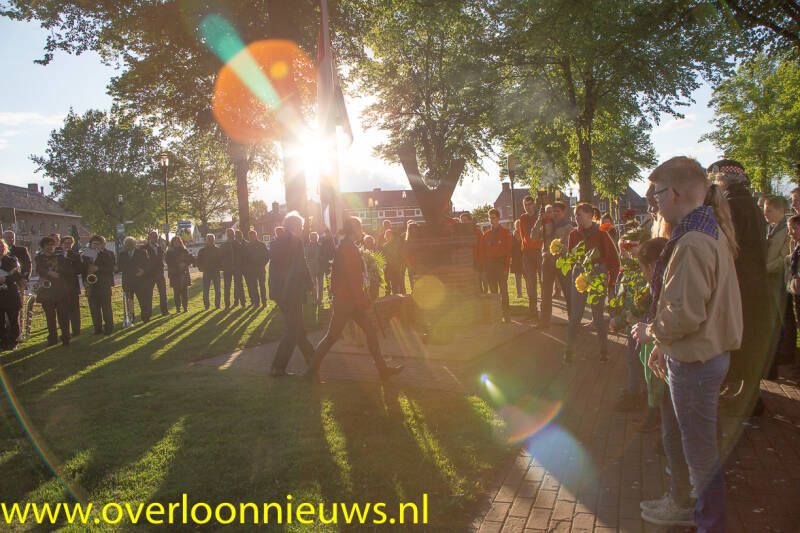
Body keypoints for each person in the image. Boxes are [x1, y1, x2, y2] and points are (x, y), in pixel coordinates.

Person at [632, 156, 742, 532]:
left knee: (701, 458)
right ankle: (694, 513)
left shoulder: (692, 241)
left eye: (656, 194)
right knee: (695, 449)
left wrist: (651, 333)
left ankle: (710, 524)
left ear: (673, 193)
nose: (654, 203)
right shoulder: (705, 230)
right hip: (700, 356)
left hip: (696, 364)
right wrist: (666, 345)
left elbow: (683, 315)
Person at [305, 216, 404, 383]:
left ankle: (383, 370)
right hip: (348, 302)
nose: (361, 231)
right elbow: (353, 279)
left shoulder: (346, 246)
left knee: (369, 331)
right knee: (332, 336)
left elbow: (344, 277)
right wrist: (363, 300)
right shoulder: (348, 248)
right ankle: (310, 372)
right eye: (359, 228)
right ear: (354, 229)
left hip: (348, 301)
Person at [708, 159, 770, 414]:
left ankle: (745, 398)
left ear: (722, 180)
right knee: (752, 339)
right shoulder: (754, 206)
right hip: (757, 283)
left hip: (739, 283)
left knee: (737, 338)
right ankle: (753, 395)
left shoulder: (730, 206)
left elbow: (726, 247)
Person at [563, 203, 620, 363]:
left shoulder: (601, 233)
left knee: (598, 315)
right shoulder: (574, 235)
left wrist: (611, 279)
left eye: (579, 215)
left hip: (597, 274)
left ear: (589, 215)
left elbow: (612, 258)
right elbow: (571, 256)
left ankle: (603, 350)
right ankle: (569, 349)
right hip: (580, 274)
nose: (577, 219)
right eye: (575, 216)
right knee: (575, 316)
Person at [269, 212, 315, 376]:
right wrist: (310, 284)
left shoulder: (275, 242)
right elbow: (301, 265)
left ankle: (313, 360)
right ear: (296, 226)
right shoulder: (295, 241)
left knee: (298, 329)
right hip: (291, 291)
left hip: (279, 291)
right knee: (293, 331)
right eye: (301, 227)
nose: (302, 230)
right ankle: (278, 367)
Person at [764, 196, 792, 377]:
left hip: (779, 281)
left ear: (780, 211)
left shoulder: (785, 229)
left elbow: (784, 258)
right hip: (770, 280)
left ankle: (786, 355)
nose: (765, 213)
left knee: (784, 318)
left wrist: (765, 268)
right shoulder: (771, 228)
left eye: (769, 210)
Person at [537, 202, 574, 327]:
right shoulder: (547, 226)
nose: (556, 214)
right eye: (554, 211)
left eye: (558, 211)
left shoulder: (569, 228)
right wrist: (539, 220)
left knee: (568, 292)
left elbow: (568, 247)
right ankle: (544, 320)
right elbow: (534, 235)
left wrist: (551, 253)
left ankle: (572, 320)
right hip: (547, 263)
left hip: (562, 263)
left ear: (564, 213)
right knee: (546, 292)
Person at [35, 236, 72, 346]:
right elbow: (39, 270)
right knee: (50, 317)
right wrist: (49, 273)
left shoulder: (60, 256)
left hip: (60, 289)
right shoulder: (39, 258)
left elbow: (67, 269)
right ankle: (53, 338)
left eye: (52, 244)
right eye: (48, 245)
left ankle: (66, 337)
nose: (51, 247)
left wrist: (59, 270)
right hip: (47, 291)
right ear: (43, 246)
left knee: (63, 315)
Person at [481, 208, 512, 323]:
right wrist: (484, 269)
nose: (491, 220)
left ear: (498, 218)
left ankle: (507, 315)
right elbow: (484, 253)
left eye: (494, 218)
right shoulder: (487, 234)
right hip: (490, 265)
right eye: (490, 218)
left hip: (500, 263)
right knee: (494, 292)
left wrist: (506, 268)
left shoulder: (505, 233)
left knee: (504, 291)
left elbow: (508, 252)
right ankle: (496, 315)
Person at [82, 235, 115, 334]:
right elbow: (83, 269)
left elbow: (112, 268)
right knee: (94, 309)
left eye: (97, 244)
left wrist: (98, 268)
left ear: (102, 245)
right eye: (93, 244)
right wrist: (85, 280)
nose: (95, 246)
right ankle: (97, 329)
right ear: (91, 245)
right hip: (92, 286)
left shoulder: (108, 254)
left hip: (104, 284)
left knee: (106, 308)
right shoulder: (87, 254)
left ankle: (109, 328)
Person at [518, 196, 544, 321]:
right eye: (525, 205)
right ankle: (532, 311)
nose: (527, 207)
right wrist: (529, 243)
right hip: (527, 252)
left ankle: (544, 310)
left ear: (534, 204)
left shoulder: (541, 216)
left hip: (539, 251)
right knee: (530, 282)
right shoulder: (522, 218)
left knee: (543, 281)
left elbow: (543, 234)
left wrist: (536, 243)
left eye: (529, 204)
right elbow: (523, 234)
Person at [117, 236, 151, 323]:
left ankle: (145, 317)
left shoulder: (142, 252)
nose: (129, 246)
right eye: (127, 244)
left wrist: (143, 271)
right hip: (128, 281)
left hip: (140, 281)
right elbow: (120, 267)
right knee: (129, 301)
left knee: (143, 300)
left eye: (131, 244)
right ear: (125, 245)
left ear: (134, 244)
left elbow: (148, 265)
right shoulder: (122, 254)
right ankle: (131, 319)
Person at [0, 239, 22, 350]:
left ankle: (13, 342)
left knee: (13, 320)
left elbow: (17, 275)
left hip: (11, 296)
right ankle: (3, 343)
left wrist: (5, 279)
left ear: (5, 248)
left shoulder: (12, 260)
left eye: (1, 247)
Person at [60, 235, 82, 336]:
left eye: (69, 243)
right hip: (61, 287)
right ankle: (65, 332)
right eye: (65, 243)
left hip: (73, 286)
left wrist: (69, 266)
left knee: (75, 310)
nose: (67, 245)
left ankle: (76, 331)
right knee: (63, 311)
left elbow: (79, 270)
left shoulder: (76, 255)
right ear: (62, 244)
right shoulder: (57, 256)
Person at [165, 236, 194, 313]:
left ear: (180, 242)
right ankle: (178, 308)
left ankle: (185, 307)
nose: (176, 243)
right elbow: (168, 262)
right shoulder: (169, 252)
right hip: (175, 274)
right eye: (175, 242)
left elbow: (188, 260)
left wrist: (184, 264)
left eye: (178, 242)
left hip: (183, 273)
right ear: (172, 243)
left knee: (184, 292)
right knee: (176, 292)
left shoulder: (184, 250)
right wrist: (178, 264)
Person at [144, 230, 169, 316]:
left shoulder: (159, 248)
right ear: (150, 238)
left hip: (160, 274)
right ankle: (148, 313)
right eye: (154, 237)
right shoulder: (145, 248)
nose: (155, 239)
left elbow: (161, 259)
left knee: (163, 294)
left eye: (156, 237)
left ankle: (165, 311)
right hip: (150, 275)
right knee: (148, 295)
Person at [220, 228, 246, 308]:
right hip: (227, 268)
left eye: (232, 234)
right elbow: (220, 257)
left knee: (239, 286)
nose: (230, 235)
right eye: (229, 234)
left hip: (237, 267)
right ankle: (227, 305)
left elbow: (243, 256)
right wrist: (223, 265)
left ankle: (242, 303)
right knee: (227, 287)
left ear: (234, 234)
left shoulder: (238, 244)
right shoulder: (224, 245)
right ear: (227, 235)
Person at [196, 233, 222, 310]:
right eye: (209, 240)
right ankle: (207, 305)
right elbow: (198, 261)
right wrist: (201, 268)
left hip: (215, 271)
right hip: (207, 271)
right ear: (206, 241)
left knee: (217, 289)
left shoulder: (217, 250)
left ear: (214, 240)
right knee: (206, 290)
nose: (210, 241)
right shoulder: (202, 251)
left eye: (212, 240)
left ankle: (217, 305)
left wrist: (219, 267)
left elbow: (220, 260)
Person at [245, 229, 269, 307]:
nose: (252, 237)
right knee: (254, 287)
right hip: (252, 270)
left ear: (256, 236)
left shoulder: (262, 245)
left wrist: (263, 264)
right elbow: (245, 258)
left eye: (253, 236)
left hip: (260, 268)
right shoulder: (247, 246)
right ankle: (257, 302)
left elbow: (267, 256)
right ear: (249, 237)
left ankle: (264, 302)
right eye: (250, 236)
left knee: (262, 286)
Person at [382, 229, 405, 295]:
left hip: (398, 267)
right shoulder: (385, 246)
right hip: (389, 267)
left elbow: (401, 255)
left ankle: (404, 298)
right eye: (387, 235)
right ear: (385, 237)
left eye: (390, 235)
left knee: (401, 284)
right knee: (393, 284)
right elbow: (384, 257)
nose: (388, 237)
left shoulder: (398, 244)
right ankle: (393, 297)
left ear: (392, 236)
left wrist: (400, 264)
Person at [304, 232, 325, 305]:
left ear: (317, 238)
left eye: (315, 237)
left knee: (320, 283)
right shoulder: (307, 247)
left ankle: (320, 299)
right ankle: (315, 298)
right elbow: (306, 257)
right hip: (311, 268)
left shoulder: (321, 247)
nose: (314, 239)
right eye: (312, 237)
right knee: (313, 284)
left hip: (320, 267)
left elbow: (323, 257)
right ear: (310, 238)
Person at [510, 219, 524, 298]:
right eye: (517, 225)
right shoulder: (512, 236)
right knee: (517, 278)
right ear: (515, 227)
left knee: (527, 277)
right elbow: (510, 248)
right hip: (516, 259)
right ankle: (519, 294)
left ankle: (529, 293)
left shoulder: (525, 234)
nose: (518, 227)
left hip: (524, 259)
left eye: (520, 225)